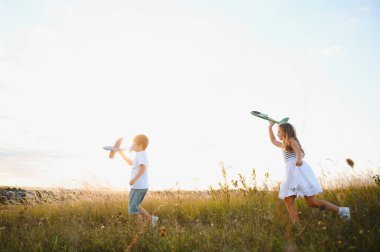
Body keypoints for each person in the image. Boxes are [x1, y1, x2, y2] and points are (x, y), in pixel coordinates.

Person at [268, 122, 350, 223]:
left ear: (285, 132)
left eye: (279, 132)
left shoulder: (291, 140)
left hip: (298, 172)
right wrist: (270, 127)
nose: (277, 134)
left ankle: (342, 211)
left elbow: (297, 149)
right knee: (289, 200)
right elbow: (273, 140)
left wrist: (298, 159)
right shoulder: (283, 145)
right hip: (291, 174)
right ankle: (296, 224)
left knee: (312, 202)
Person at [118, 134, 158, 230]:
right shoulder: (140, 154)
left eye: (134, 144)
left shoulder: (140, 154)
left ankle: (141, 231)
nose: (133, 146)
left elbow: (143, 167)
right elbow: (130, 163)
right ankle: (152, 219)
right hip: (141, 186)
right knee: (135, 206)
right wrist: (121, 154)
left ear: (140, 145)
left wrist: (134, 179)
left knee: (133, 210)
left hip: (137, 186)